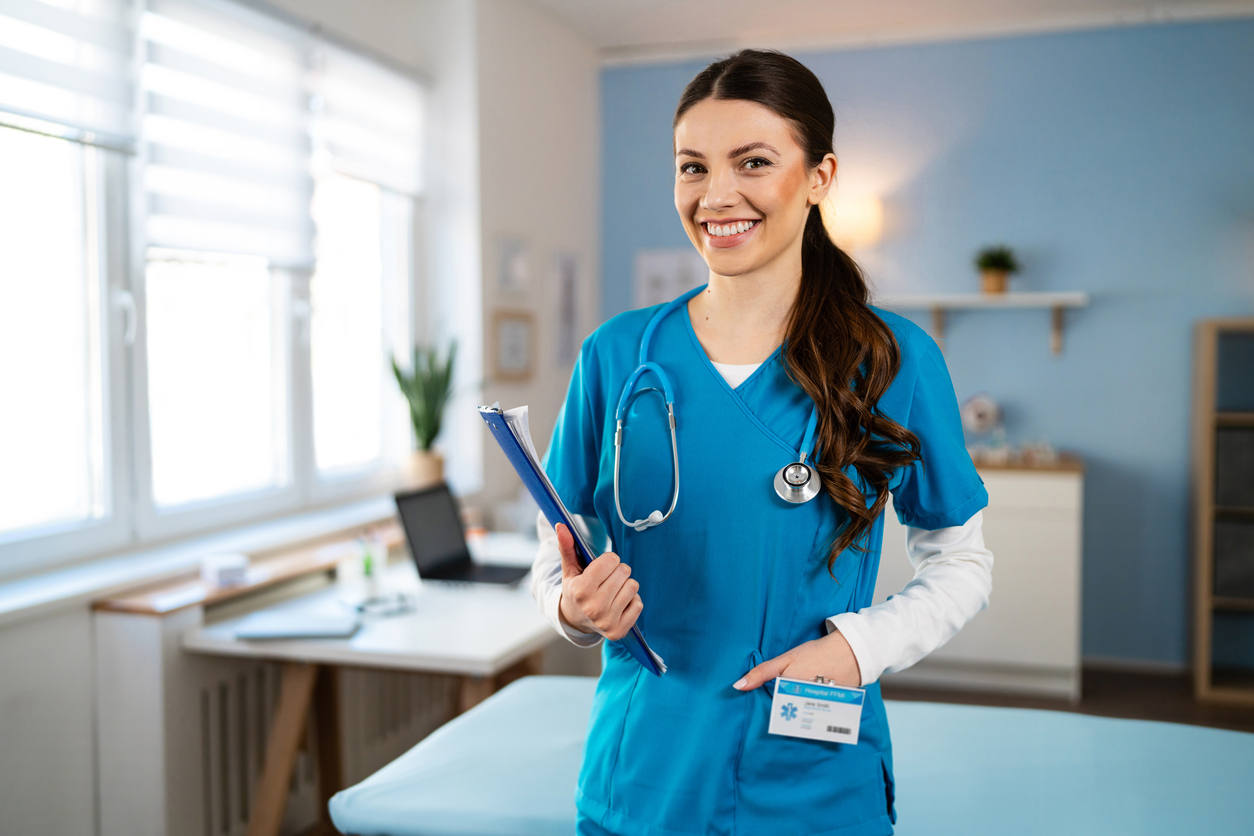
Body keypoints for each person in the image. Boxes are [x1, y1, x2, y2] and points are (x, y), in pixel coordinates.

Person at [530, 49, 993, 836]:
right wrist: (567, 607)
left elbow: (963, 562)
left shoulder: (892, 359)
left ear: (818, 177)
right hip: (643, 772)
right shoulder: (617, 354)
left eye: (753, 162)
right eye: (692, 167)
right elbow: (557, 545)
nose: (717, 196)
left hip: (812, 779)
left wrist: (860, 646)